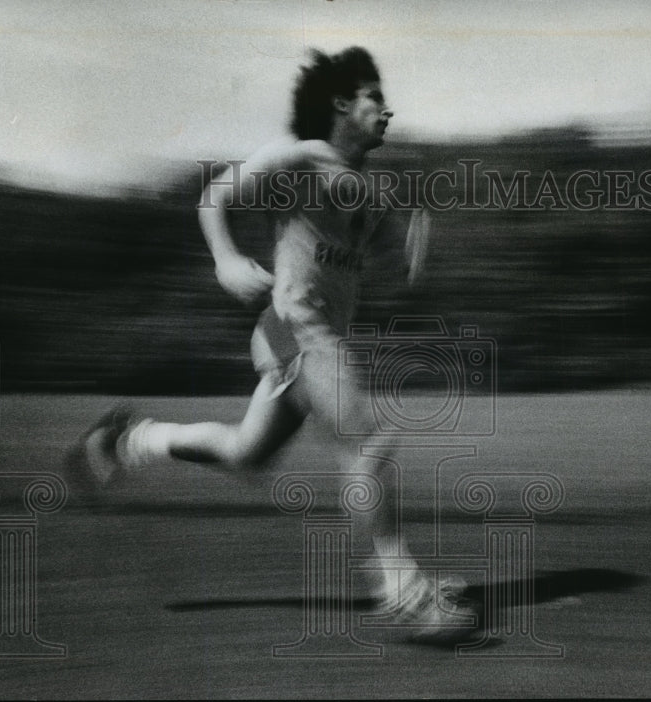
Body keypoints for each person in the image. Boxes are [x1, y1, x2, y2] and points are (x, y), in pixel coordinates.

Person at [66, 46, 477, 644]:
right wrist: (227, 259)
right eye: (375, 98)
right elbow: (215, 198)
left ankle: (129, 438)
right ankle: (402, 591)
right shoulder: (302, 159)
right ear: (342, 103)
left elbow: (400, 266)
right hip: (293, 328)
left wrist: (416, 245)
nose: (387, 111)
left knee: (246, 456)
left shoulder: (373, 189)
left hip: (312, 338)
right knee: (369, 438)